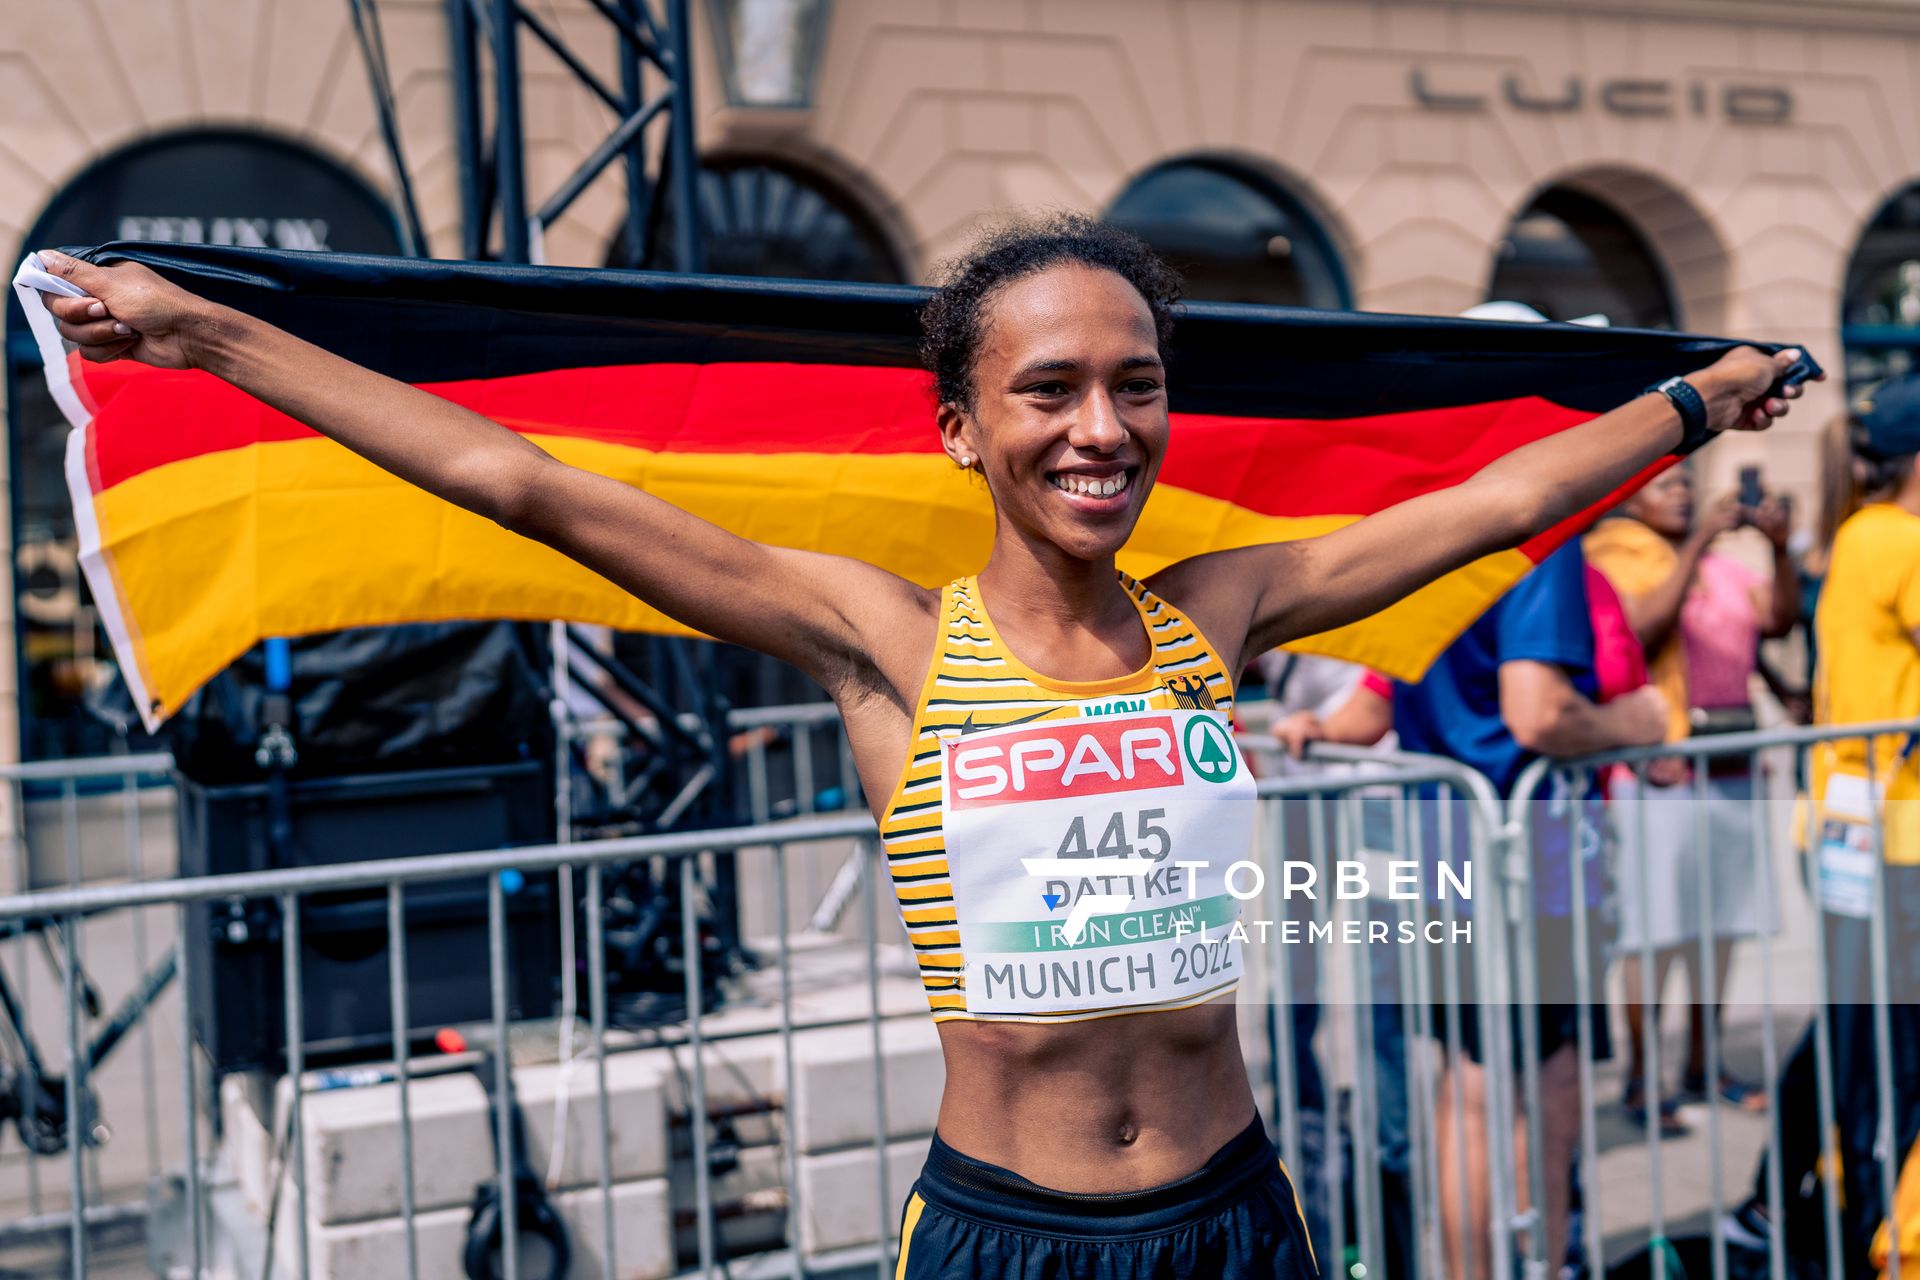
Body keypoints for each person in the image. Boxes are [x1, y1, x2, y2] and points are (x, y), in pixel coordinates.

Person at [30, 219, 1806, 1279]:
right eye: (1048, 390)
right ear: (961, 426)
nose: (1100, 428)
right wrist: (211, 338)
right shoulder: (881, 639)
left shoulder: (1229, 605)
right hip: (1006, 1239)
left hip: (1238, 1218)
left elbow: (1498, 500)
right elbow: (525, 480)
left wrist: (1695, 401)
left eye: (1135, 386)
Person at [1285, 542, 1670, 1278]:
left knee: (1468, 1084)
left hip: (1445, 865)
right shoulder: (1539, 538)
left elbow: (1372, 704)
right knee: (1538, 1084)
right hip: (1531, 866)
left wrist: (1317, 729)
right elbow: (1539, 714)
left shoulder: (1434, 532)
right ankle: (1541, 1265)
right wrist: (1636, 723)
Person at [1585, 463, 1797, 1128]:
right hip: (1660, 769)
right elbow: (1640, 629)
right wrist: (1700, 541)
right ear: (1631, 493)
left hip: (1730, 764)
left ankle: (1704, 1063)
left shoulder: (1727, 568)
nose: (1679, 493)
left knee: (1721, 928)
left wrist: (1780, 548)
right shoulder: (1614, 556)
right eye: (1664, 483)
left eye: (1685, 484)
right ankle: (1644, 1078)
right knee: (1658, 932)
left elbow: (1780, 620)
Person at [1805, 375, 1920, 1279]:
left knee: (1859, 1041)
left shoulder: (1859, 532)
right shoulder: (1906, 541)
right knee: (1896, 1054)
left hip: (1848, 824)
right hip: (1902, 836)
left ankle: (1832, 1213)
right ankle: (1890, 1237)